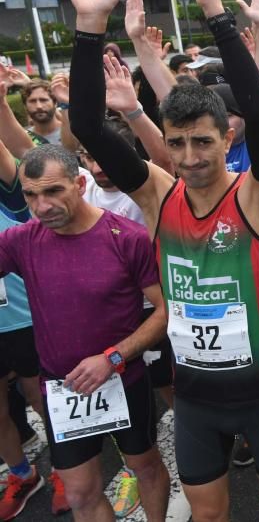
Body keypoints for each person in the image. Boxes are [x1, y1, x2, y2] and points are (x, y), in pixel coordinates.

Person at [64, 0, 259, 521]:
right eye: (178, 145)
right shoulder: (157, 195)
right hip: (196, 401)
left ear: (227, 138)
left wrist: (218, 15)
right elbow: (92, 129)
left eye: (203, 142)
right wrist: (91, 28)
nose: (191, 157)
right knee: (206, 513)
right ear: (163, 146)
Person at [0, 144, 170, 521]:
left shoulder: (125, 237)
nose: (42, 206)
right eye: (31, 195)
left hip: (124, 381)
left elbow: (165, 312)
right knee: (79, 493)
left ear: (79, 183)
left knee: (144, 467)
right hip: (63, 390)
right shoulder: (23, 240)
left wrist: (112, 357)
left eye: (53, 191)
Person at [0, 139, 70, 519]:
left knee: (41, 399)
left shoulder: (12, 189)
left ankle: (65, 470)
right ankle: (22, 475)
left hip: (23, 317)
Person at [21, 80, 61, 146]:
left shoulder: (72, 132)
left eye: (43, 100)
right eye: (32, 101)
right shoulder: (23, 139)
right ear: (25, 106)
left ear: (55, 103)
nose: (38, 106)